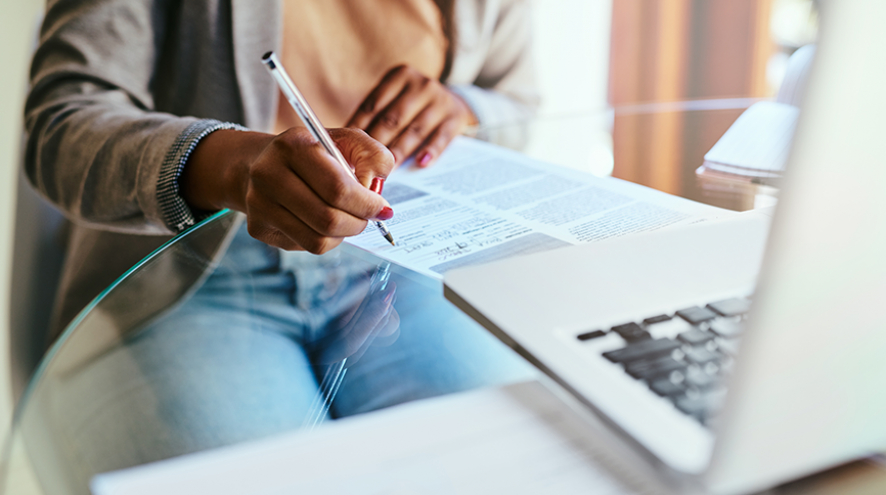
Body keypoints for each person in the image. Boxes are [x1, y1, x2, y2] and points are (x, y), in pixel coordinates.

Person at [25, 0, 539, 488]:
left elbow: (519, 101)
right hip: (186, 276)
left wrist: (459, 109)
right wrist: (232, 166)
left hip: (404, 266)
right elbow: (61, 122)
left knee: (520, 468)